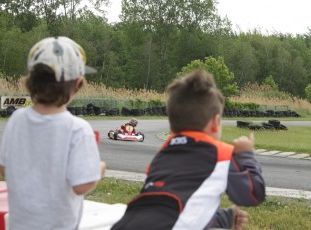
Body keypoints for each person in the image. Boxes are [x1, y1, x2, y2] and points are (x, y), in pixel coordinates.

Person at [111, 69, 265, 230]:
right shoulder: (221, 154)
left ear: (171, 125)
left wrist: (223, 218)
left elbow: (172, 207)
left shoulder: (162, 155)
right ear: (215, 122)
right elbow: (253, 194)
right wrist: (246, 155)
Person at [0, 36, 106, 230]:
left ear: (30, 81)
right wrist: (98, 170)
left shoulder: (17, 119)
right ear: (78, 84)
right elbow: (81, 185)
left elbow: (4, 169)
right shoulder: (78, 129)